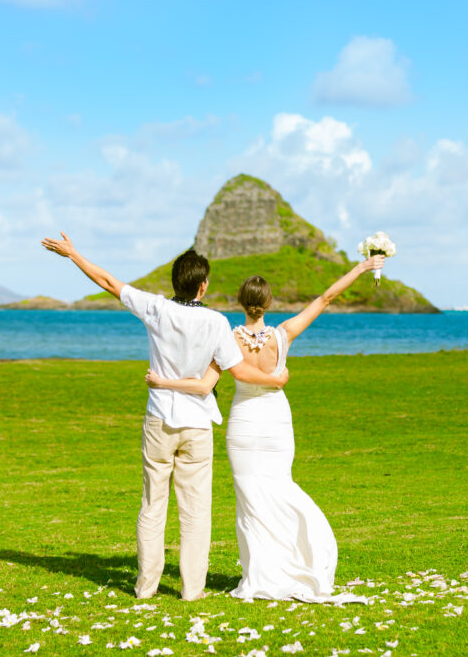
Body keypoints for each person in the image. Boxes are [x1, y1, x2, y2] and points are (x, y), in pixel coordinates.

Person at [41, 232, 288, 601]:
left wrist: (74, 254)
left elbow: (109, 282)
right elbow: (235, 371)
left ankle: (146, 587)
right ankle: (192, 590)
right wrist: (276, 379)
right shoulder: (218, 324)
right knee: (195, 510)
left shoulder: (156, 308)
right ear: (203, 286)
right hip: (197, 424)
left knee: (153, 504)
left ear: (176, 283)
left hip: (159, 419)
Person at [146, 254, 384, 602]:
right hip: (275, 423)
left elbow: (203, 380)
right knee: (278, 487)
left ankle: (259, 573)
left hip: (243, 424)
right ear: (268, 304)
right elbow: (326, 298)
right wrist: (362, 268)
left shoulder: (227, 337)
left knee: (250, 501)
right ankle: (293, 558)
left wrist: (163, 380)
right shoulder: (283, 334)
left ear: (241, 303)